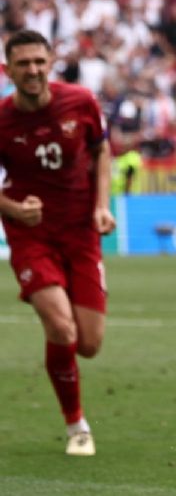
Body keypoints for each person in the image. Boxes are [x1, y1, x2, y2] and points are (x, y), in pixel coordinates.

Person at [0, 29, 115, 456]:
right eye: (22, 63)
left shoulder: (81, 102)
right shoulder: (2, 118)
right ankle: (77, 427)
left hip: (81, 231)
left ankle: (50, 298)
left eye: (38, 61)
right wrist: (12, 209)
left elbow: (102, 152)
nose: (32, 70)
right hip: (32, 235)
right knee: (61, 328)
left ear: (50, 62)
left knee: (88, 344)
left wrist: (102, 205)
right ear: (8, 69)